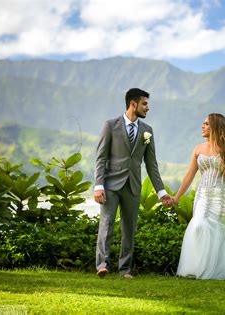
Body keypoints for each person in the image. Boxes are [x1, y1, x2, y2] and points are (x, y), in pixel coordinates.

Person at [94, 88, 172, 279]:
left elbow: (151, 165)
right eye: (144, 103)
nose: (148, 108)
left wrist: (161, 192)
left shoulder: (147, 131)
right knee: (106, 224)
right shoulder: (110, 125)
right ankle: (102, 265)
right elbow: (100, 158)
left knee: (129, 228)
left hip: (133, 186)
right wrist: (98, 185)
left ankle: (125, 269)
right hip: (110, 185)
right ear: (133, 104)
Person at [171, 113, 225, 280]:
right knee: (199, 226)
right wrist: (176, 197)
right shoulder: (198, 149)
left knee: (218, 233)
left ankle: (214, 272)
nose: (203, 126)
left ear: (216, 127)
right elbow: (189, 176)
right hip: (203, 195)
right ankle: (198, 268)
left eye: (206, 124)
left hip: (223, 196)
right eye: (203, 123)